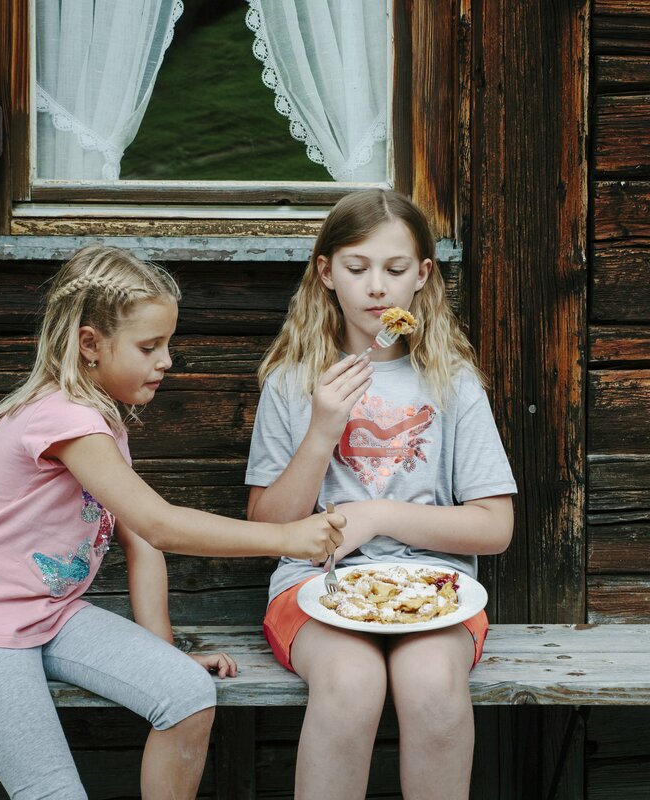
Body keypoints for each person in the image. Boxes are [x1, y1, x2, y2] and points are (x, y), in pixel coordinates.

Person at [0, 245, 345, 800]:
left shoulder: (101, 423)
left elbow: (144, 546)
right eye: (149, 346)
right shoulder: (62, 420)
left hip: (49, 617)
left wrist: (161, 653)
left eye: (168, 343)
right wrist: (285, 537)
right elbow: (159, 523)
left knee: (187, 695)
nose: (167, 360)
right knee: (52, 792)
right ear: (90, 343)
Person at [246, 189, 516, 800]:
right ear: (325, 273)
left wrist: (377, 515)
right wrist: (320, 432)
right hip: (313, 587)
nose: (376, 288)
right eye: (356, 267)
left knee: (431, 686)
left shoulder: (453, 383)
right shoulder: (293, 382)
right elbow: (267, 526)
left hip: (436, 589)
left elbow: (494, 528)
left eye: (395, 271)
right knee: (350, 682)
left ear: (422, 277)